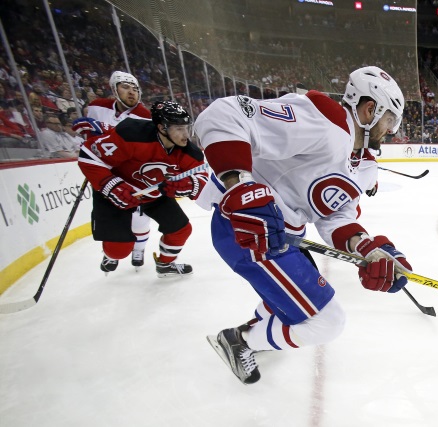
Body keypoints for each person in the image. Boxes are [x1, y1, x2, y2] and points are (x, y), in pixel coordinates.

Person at [193, 66, 413, 385]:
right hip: (247, 232)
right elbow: (225, 114)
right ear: (370, 109)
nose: (389, 131)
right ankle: (238, 341)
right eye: (389, 120)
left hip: (283, 239)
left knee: (289, 298)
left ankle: (253, 333)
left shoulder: (360, 161)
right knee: (328, 322)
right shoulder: (325, 121)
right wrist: (240, 185)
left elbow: (335, 216)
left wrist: (371, 250)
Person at [77, 100, 207, 277]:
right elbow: (89, 156)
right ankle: (110, 255)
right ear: (162, 128)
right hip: (118, 191)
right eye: (178, 128)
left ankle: (165, 265)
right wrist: (112, 187)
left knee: (181, 229)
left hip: (154, 194)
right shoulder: (132, 133)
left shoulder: (189, 152)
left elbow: (202, 178)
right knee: (119, 251)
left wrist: (191, 185)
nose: (185, 134)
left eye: (186, 127)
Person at [73, 71, 153, 270]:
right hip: (105, 172)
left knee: (139, 216)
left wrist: (104, 128)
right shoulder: (96, 106)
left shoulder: (144, 115)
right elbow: (91, 138)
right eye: (125, 87)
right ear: (114, 90)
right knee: (108, 216)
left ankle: (139, 248)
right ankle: (111, 253)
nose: (132, 92)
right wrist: (88, 135)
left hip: (132, 173)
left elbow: (136, 143)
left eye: (135, 89)